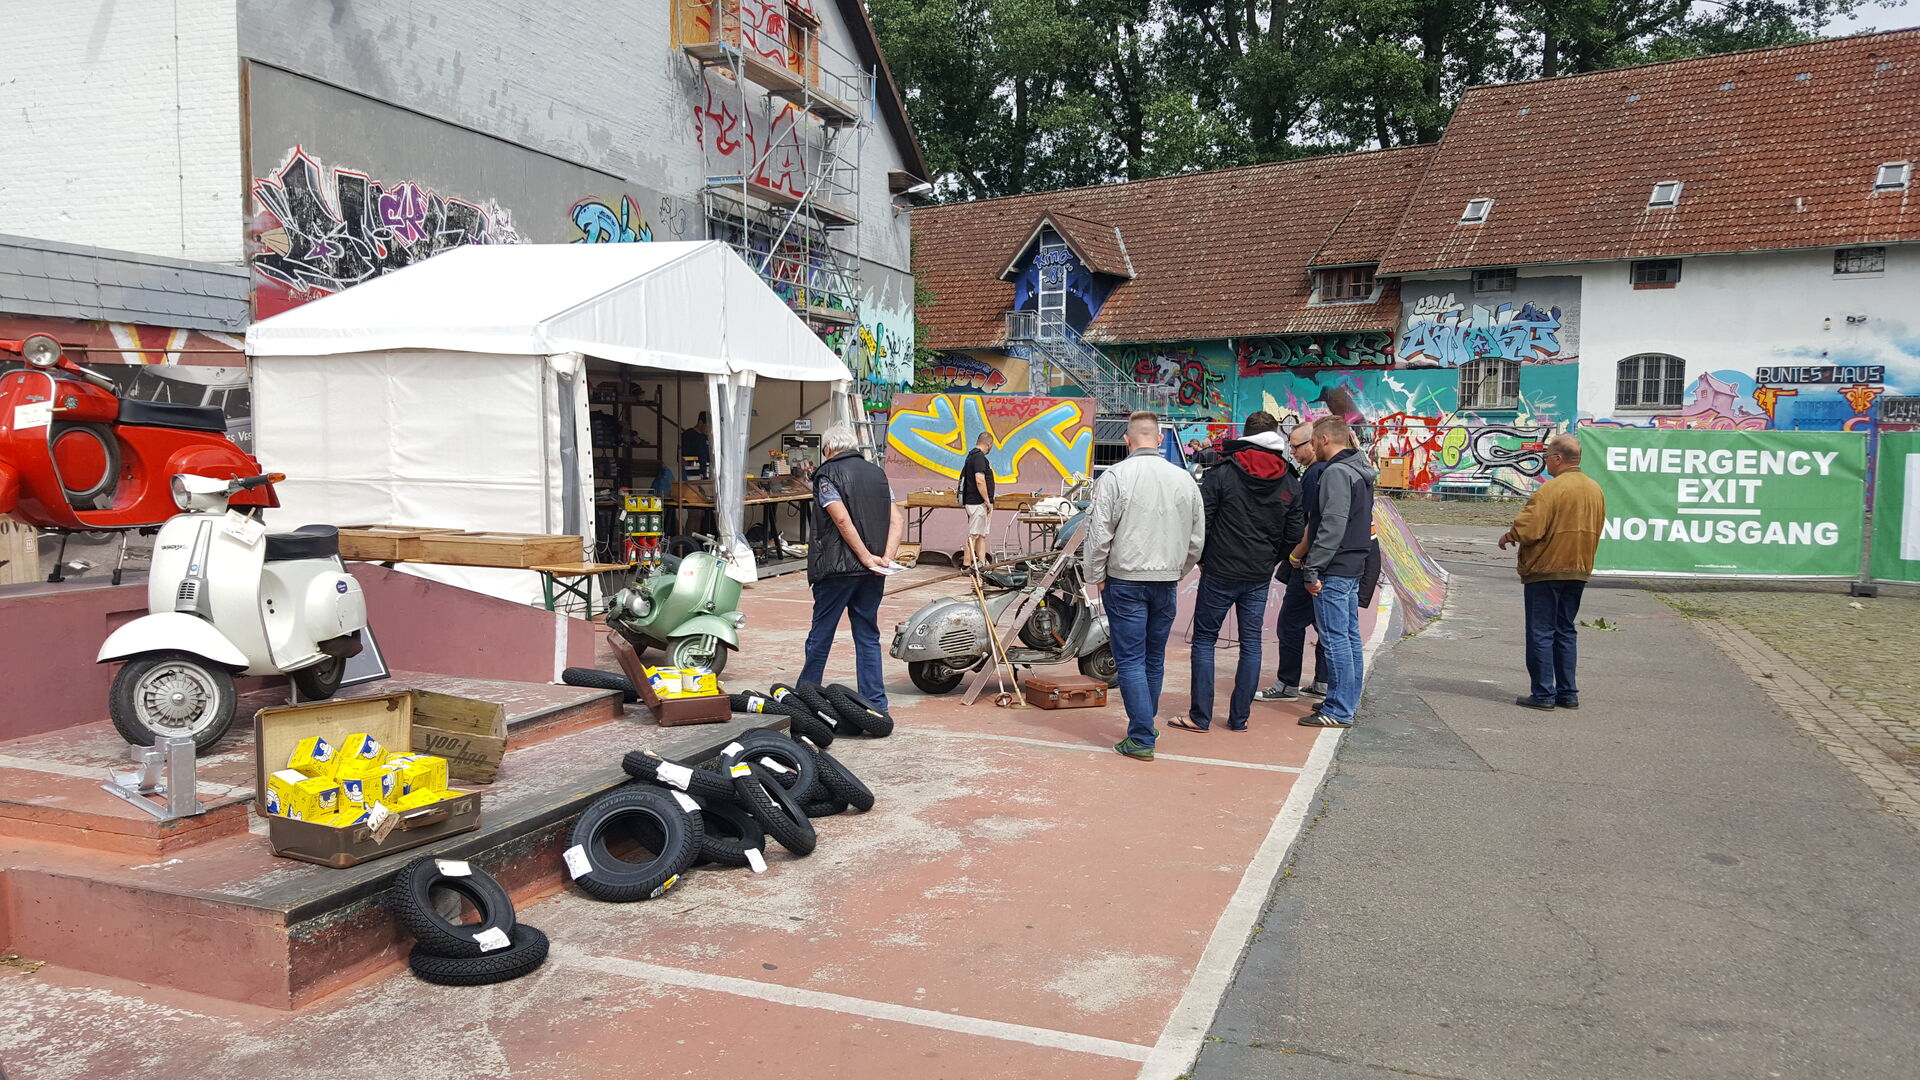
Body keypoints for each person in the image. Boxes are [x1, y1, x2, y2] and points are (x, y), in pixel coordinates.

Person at [1083, 412, 1205, 761]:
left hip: (1125, 579)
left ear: (1127, 440)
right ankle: (1144, 726)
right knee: (1153, 657)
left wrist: (1095, 574)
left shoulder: (1115, 476)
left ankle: (1141, 735)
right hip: (1165, 580)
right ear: (1160, 438)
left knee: (1131, 660)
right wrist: (1178, 570)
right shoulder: (1184, 479)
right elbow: (1196, 538)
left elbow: (1099, 533)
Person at [1170, 411, 1303, 733]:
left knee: (1205, 641)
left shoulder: (1223, 472)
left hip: (1219, 568)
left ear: (1246, 434)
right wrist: (1271, 559)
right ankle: (1239, 718)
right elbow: (1294, 533)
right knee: (1251, 644)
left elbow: (1202, 520)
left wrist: (1203, 558)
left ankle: (1200, 717)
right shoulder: (1289, 479)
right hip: (1258, 572)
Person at [801, 424, 905, 712]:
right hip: (873, 572)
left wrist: (866, 557)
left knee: (822, 634)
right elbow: (897, 520)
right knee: (867, 634)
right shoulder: (878, 474)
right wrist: (884, 558)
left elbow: (841, 519)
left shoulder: (827, 473)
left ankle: (806, 697)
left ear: (828, 448)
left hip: (837, 568)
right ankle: (876, 704)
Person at [1498, 433, 1605, 710]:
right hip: (1579, 568)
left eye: (1547, 457)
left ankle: (1543, 693)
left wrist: (1511, 535)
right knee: (1565, 630)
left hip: (1546, 568)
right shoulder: (1595, 489)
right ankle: (1567, 693)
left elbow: (1530, 529)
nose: (1545, 461)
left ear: (1558, 458)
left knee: (1541, 631)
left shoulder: (1551, 489)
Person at [1297, 417, 1376, 728]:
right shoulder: (1359, 470)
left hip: (1335, 566)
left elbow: (1332, 522)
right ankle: (1344, 700)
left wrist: (1313, 566)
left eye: (1313, 440)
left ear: (1325, 439)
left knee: (1335, 639)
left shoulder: (1336, 472)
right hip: (1352, 562)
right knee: (1349, 637)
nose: (1312, 446)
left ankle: (1339, 708)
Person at [1257, 422, 1329, 702]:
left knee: (1290, 623)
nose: (1293, 452)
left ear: (1314, 443)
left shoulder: (1314, 475)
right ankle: (1323, 680)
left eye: (1297, 446)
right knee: (1324, 624)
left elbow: (1310, 523)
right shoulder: (1328, 471)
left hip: (1308, 561)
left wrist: (1295, 555)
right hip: (1324, 561)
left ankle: (1288, 683)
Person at [960, 432, 995, 570]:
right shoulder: (979, 457)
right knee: (974, 535)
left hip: (976, 502)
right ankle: (966, 565)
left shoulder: (971, 456)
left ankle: (981, 563)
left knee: (981, 535)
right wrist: (987, 500)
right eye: (991, 446)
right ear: (989, 444)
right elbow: (980, 480)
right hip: (977, 503)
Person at [680, 412, 713, 478]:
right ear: (700, 422)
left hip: (706, 473)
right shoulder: (687, 435)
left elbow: (709, 455)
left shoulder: (706, 437)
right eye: (707, 425)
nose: (709, 428)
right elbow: (683, 455)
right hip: (691, 472)